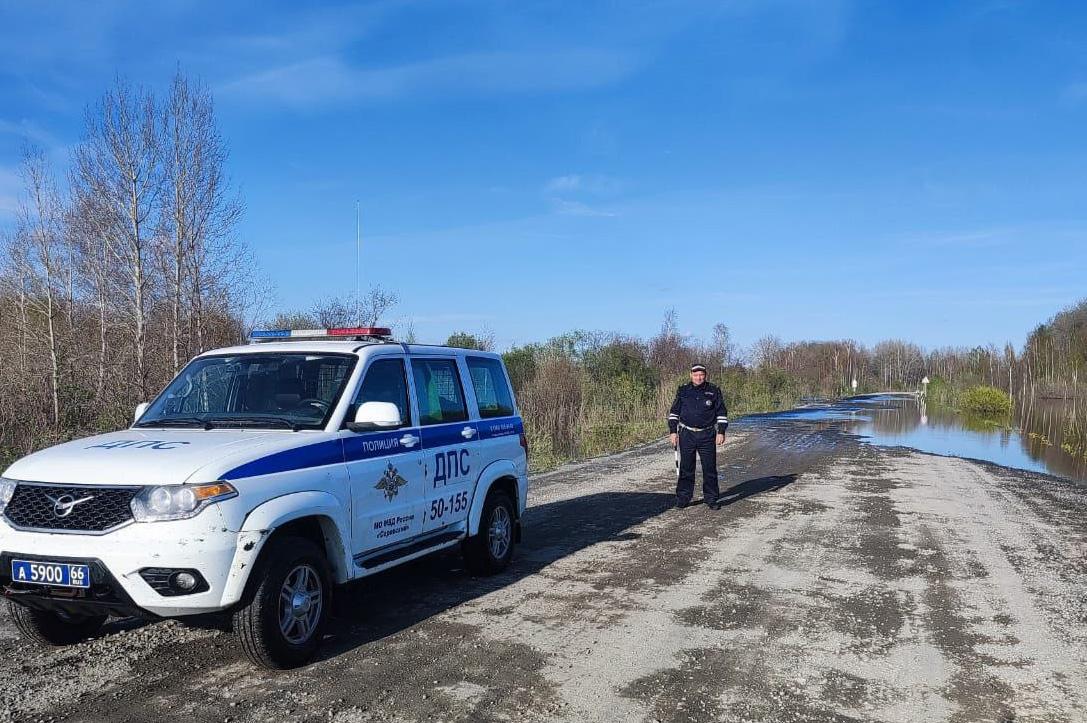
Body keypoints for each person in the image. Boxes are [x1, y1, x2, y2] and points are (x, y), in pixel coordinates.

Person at [667, 363, 728, 509]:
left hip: (707, 434)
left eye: (701, 375)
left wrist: (721, 432)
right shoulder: (683, 390)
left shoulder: (713, 391)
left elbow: (721, 413)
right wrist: (673, 431)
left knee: (709, 468)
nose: (698, 377)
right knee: (686, 468)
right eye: (695, 375)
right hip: (687, 434)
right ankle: (683, 498)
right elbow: (674, 412)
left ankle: (711, 498)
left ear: (705, 375)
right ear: (691, 375)